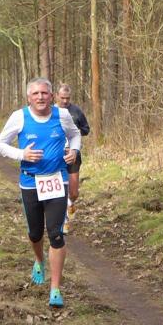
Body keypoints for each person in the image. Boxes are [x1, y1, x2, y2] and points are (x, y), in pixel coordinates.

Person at [0, 78, 80, 308]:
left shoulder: (62, 115)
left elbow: (75, 135)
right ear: (28, 97)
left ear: (51, 96)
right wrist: (21, 154)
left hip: (57, 180)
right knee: (35, 233)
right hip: (30, 183)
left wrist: (74, 150)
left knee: (56, 234)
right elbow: (0, 144)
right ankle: (39, 260)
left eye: (44, 93)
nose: (40, 97)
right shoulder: (19, 117)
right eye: (36, 94)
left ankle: (55, 289)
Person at [56, 84, 90, 234]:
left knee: (73, 192)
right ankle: (63, 221)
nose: (65, 101)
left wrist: (74, 133)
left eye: (67, 98)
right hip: (56, 156)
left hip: (73, 155)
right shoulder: (50, 112)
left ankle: (70, 203)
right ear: (56, 96)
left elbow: (86, 129)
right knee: (59, 190)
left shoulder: (76, 111)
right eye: (62, 98)